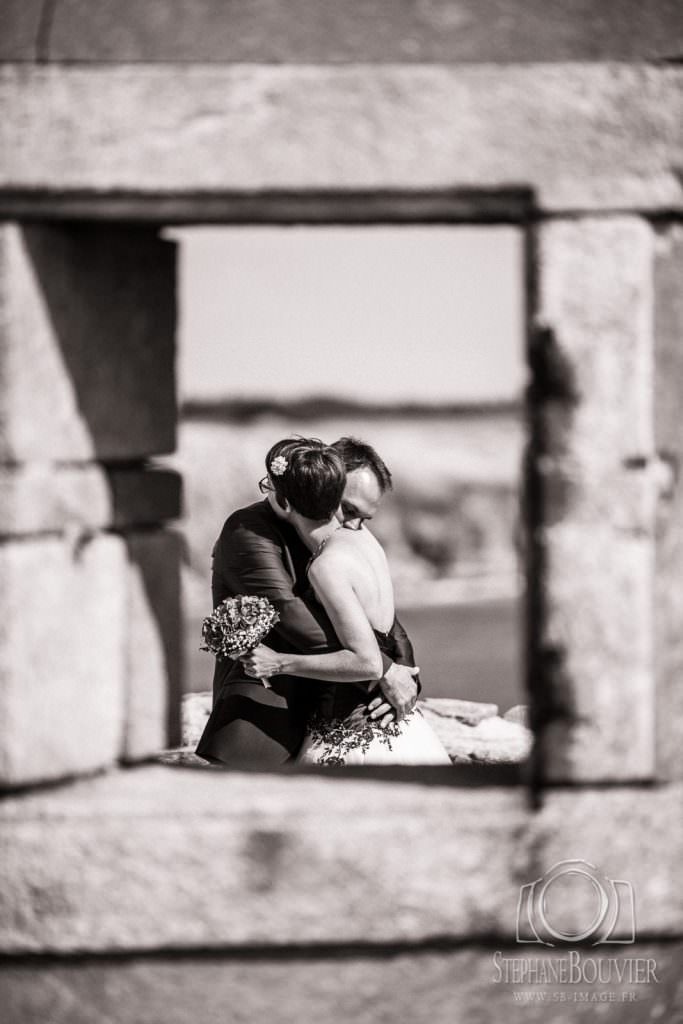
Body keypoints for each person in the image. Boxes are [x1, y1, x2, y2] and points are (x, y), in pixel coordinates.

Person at [195, 437, 421, 768]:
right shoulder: (248, 533)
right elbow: (295, 617)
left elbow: (385, 623)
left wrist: (407, 677)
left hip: (337, 713)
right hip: (269, 719)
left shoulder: (343, 541)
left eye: (364, 517)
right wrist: (382, 671)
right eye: (348, 509)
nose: (352, 525)